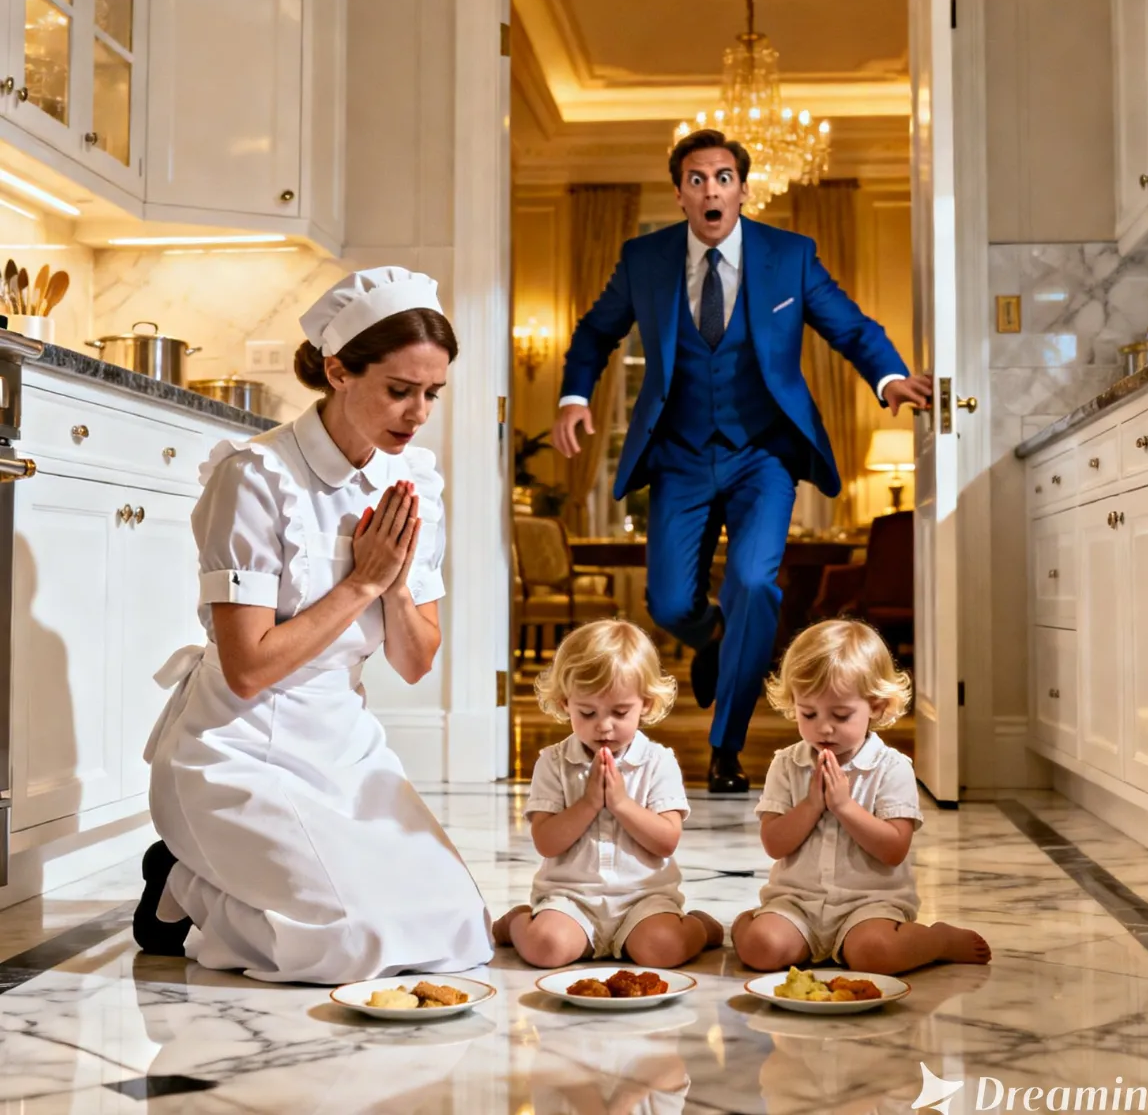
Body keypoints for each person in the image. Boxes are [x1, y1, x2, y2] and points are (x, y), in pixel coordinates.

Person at [133, 267, 493, 984]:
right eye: (400, 390)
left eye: (433, 393)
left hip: (342, 742)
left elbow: (415, 662)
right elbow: (248, 669)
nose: (419, 413)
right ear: (337, 371)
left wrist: (394, 583)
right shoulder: (254, 477)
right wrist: (361, 582)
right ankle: (185, 883)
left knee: (460, 928)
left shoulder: (415, 483)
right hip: (236, 744)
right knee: (354, 941)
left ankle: (208, 878)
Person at [552, 129, 932, 793]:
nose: (711, 190)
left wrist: (889, 377)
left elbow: (850, 326)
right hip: (679, 454)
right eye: (696, 179)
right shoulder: (645, 259)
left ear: (743, 190)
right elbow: (594, 331)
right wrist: (575, 396)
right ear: (680, 194)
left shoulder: (790, 255)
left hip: (764, 455)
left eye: (723, 177)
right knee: (670, 603)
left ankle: (725, 747)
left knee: (755, 585)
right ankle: (715, 638)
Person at [731, 619, 991, 974]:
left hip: (869, 906)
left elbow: (894, 849)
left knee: (876, 954)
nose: (823, 727)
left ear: (877, 707)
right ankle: (749, 923)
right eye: (808, 713)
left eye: (841, 715)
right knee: (761, 949)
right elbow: (774, 845)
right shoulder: (787, 764)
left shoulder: (891, 767)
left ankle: (939, 940)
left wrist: (844, 807)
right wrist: (811, 805)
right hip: (796, 903)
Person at [492, 619, 724, 969]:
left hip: (643, 900)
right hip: (571, 900)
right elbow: (546, 843)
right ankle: (517, 922)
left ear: (646, 704)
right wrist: (588, 803)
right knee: (546, 948)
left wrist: (621, 804)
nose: (603, 725)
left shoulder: (657, 762)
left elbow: (666, 841)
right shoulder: (553, 763)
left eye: (620, 712)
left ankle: (699, 928)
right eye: (587, 712)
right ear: (564, 703)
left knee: (665, 949)